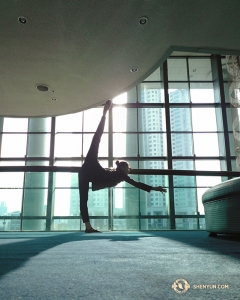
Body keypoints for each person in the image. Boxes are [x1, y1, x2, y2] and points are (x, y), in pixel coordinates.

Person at [79, 100, 167, 233]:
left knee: (83, 199)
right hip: (90, 168)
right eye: (128, 168)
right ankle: (104, 114)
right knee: (96, 139)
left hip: (86, 170)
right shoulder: (121, 175)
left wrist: (154, 188)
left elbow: (135, 183)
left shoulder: (119, 174)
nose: (129, 170)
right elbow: (136, 183)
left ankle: (88, 227)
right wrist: (154, 188)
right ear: (123, 168)